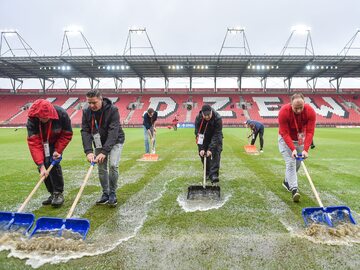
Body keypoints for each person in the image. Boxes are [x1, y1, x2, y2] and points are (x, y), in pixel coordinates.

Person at [81, 90, 125, 207]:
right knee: (101, 167)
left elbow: (113, 131)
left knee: (113, 165)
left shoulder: (112, 110)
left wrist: (105, 152)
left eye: (94, 102)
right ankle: (105, 193)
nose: (91, 106)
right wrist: (88, 151)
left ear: (101, 99)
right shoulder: (86, 112)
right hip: (99, 142)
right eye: (89, 103)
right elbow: (85, 131)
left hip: (115, 140)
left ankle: (112, 193)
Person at [26, 99, 73, 207]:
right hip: (42, 143)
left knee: (53, 163)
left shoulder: (62, 114)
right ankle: (52, 193)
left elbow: (67, 134)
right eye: (40, 118)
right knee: (43, 166)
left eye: (45, 117)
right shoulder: (32, 120)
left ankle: (58, 193)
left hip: (56, 142)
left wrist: (58, 150)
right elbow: (33, 142)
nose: (43, 119)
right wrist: (41, 165)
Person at [278, 93, 316, 202]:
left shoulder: (310, 111)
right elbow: (285, 133)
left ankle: (286, 181)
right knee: (291, 162)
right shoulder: (284, 112)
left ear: (304, 104)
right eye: (296, 108)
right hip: (285, 138)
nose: (299, 110)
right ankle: (294, 189)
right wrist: (292, 149)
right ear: (291, 104)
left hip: (299, 139)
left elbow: (310, 132)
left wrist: (305, 150)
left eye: (301, 108)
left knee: (298, 164)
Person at [194, 104, 223, 183]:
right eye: (205, 115)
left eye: (208, 115)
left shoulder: (218, 118)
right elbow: (198, 134)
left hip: (216, 137)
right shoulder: (198, 118)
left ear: (211, 112)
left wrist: (210, 149)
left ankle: (213, 174)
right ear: (202, 113)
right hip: (204, 137)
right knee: (203, 154)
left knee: (216, 154)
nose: (207, 117)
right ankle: (207, 173)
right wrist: (201, 148)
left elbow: (217, 134)